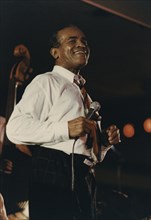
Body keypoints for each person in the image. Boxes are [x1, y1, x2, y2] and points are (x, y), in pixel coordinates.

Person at [6, 24, 121, 220]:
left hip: (84, 175)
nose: (81, 45)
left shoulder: (83, 93)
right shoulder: (47, 81)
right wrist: (65, 129)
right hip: (54, 168)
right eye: (72, 40)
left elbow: (90, 153)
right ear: (55, 52)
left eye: (84, 41)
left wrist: (105, 143)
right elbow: (15, 128)